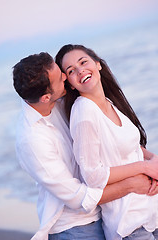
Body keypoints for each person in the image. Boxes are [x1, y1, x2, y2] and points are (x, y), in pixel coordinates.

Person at [13, 52, 156, 240]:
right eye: (61, 76)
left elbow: (110, 141)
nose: (65, 76)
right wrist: (131, 183)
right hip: (74, 227)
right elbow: (78, 198)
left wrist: (150, 159)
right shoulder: (32, 141)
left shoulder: (61, 101)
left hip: (105, 212)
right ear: (46, 97)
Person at [55, 44, 158, 240]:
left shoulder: (110, 104)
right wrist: (144, 167)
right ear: (69, 83)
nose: (80, 70)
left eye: (83, 62)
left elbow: (130, 146)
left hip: (150, 211)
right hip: (129, 224)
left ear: (97, 64)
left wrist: (153, 160)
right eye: (71, 71)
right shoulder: (84, 111)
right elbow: (92, 176)